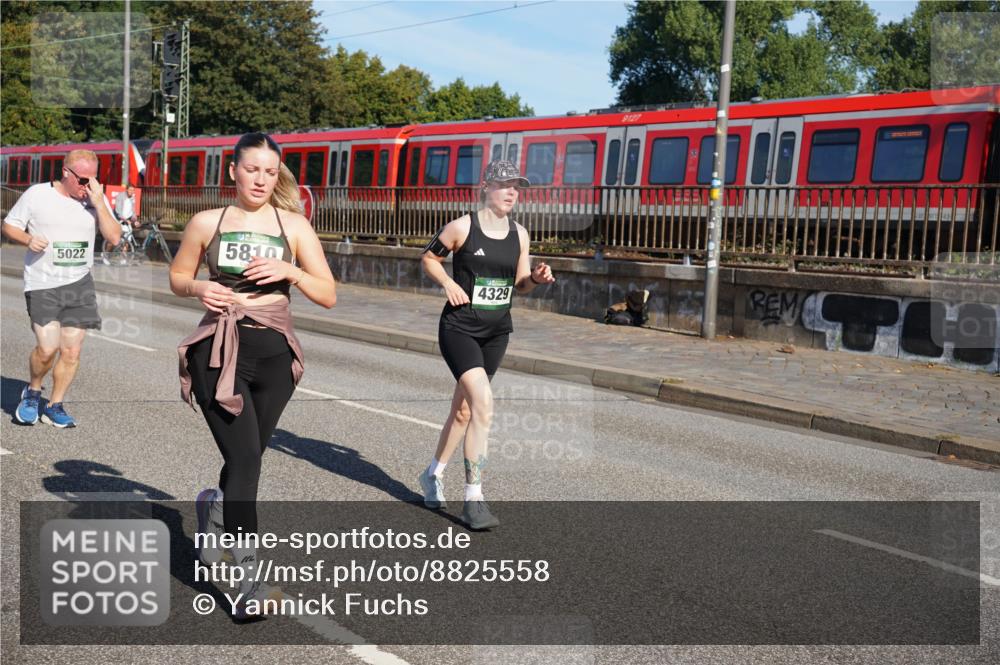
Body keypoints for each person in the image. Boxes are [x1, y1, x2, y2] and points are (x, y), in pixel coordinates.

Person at [170, 132, 336, 619]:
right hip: (219, 351)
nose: (260, 179)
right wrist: (200, 288)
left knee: (249, 458)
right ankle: (248, 580)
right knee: (246, 461)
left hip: (274, 357)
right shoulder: (207, 222)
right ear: (233, 171)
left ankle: (213, 509)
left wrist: (292, 272)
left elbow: (328, 294)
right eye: (251, 169)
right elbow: (178, 277)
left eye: (269, 171)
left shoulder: (294, 226)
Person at [417, 159, 555, 530]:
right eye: (504, 185)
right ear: (486, 187)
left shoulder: (520, 234)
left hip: (496, 332)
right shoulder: (462, 227)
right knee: (484, 405)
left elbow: (521, 285)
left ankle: (432, 474)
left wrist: (536, 278)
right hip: (459, 329)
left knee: (464, 412)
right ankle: (474, 498)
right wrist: (447, 283)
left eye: (517, 186)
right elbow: (429, 258)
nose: (512, 192)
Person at [2, 149, 121, 428]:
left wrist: (99, 202)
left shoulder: (95, 198)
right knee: (47, 348)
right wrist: (28, 239)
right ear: (66, 173)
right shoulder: (37, 194)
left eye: (94, 179)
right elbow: (9, 226)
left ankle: (54, 405)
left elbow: (114, 237)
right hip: (43, 283)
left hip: (79, 283)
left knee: (71, 352)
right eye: (83, 180)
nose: (88, 185)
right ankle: (33, 391)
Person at [104, 184, 139, 264]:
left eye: (133, 190)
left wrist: (135, 220)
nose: (132, 192)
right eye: (130, 190)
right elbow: (118, 211)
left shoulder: (133, 198)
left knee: (127, 241)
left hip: (127, 222)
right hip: (118, 221)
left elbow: (133, 212)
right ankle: (106, 255)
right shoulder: (120, 197)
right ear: (126, 190)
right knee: (112, 241)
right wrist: (125, 220)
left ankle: (123, 258)